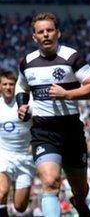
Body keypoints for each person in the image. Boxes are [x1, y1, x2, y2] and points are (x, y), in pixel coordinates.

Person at [15, 12, 90, 217]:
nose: (46, 35)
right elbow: (21, 85)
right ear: (34, 37)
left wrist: (67, 94)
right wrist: (22, 105)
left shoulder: (72, 57)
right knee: (50, 182)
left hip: (71, 131)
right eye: (41, 32)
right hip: (43, 132)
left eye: (50, 30)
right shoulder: (27, 62)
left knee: (81, 191)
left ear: (58, 33)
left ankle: (79, 204)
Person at [0, 71, 34, 216]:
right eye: (5, 84)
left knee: (20, 206)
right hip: (4, 154)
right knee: (1, 193)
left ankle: (18, 186)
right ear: (0, 87)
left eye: (11, 84)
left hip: (25, 157)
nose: (8, 87)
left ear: (16, 86)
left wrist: (35, 143)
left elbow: (39, 124)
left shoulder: (26, 102)